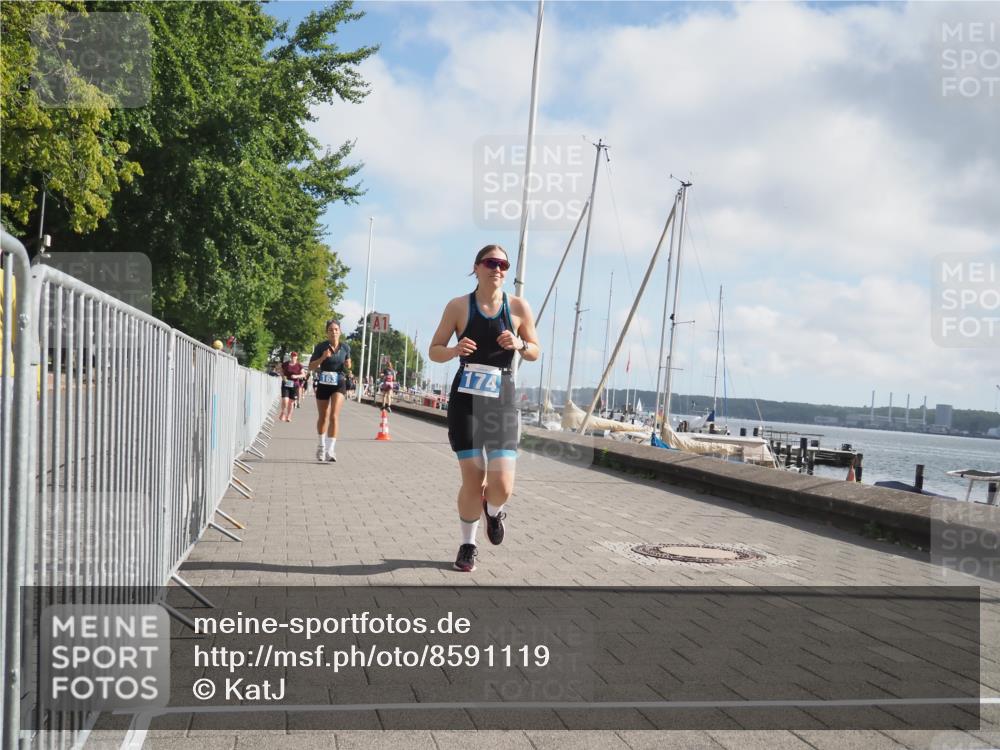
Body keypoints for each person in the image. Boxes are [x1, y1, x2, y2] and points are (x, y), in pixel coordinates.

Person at [429, 244, 540, 572]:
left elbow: (535, 350)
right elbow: (434, 349)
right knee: (473, 478)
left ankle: (492, 512)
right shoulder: (458, 306)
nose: (498, 269)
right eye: (492, 262)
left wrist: (520, 344)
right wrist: (454, 350)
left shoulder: (518, 307)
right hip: (466, 398)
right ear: (476, 267)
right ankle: (468, 544)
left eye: (504, 264)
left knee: (502, 484)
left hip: (502, 398)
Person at [308, 319, 352, 462]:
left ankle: (331, 450)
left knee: (334, 415)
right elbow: (311, 367)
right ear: (327, 332)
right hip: (324, 382)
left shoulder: (345, 347)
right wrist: (322, 357)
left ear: (340, 331)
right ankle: (321, 446)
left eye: (336, 329)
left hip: (339, 382)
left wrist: (348, 365)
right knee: (323, 417)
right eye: (331, 330)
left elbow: (348, 366)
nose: (333, 332)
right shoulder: (321, 347)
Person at [279, 352, 306, 422]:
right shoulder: (285, 364)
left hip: (295, 385)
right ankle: (283, 412)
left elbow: (303, 375)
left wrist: (296, 376)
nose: (293, 357)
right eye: (292, 356)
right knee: (285, 400)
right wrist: (283, 377)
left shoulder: (299, 366)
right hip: (286, 384)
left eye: (295, 356)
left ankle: (289, 416)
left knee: (291, 402)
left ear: (297, 357)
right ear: (290, 357)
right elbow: (281, 371)